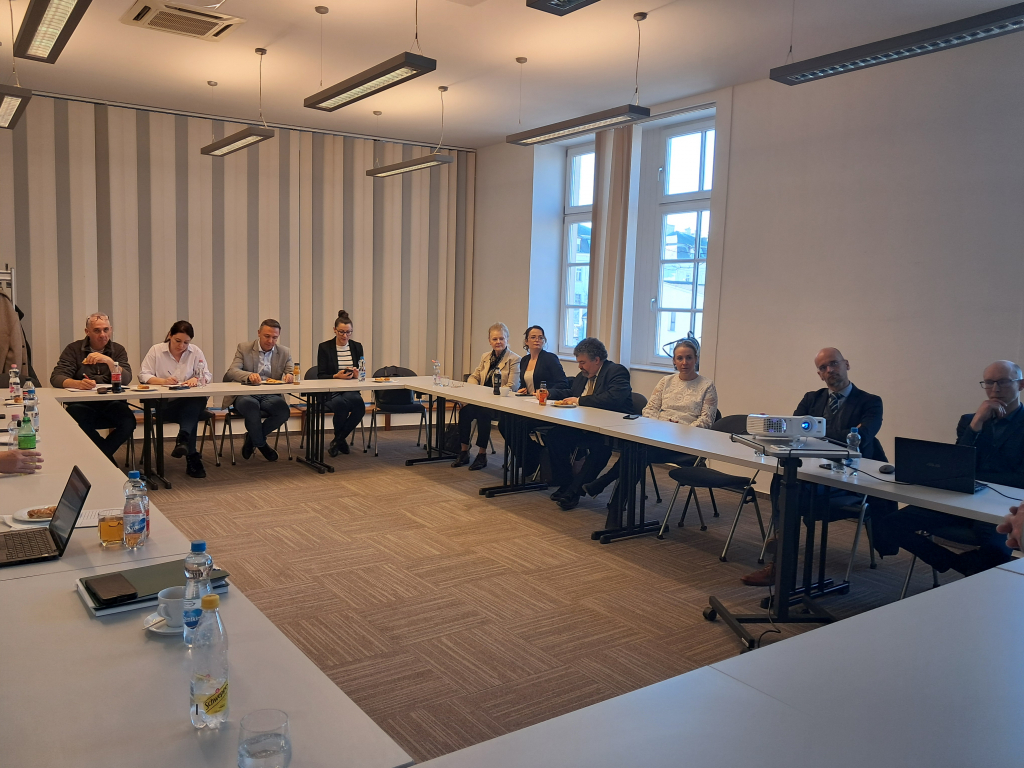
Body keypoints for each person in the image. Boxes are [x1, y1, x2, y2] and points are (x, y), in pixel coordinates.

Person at [741, 347, 886, 586]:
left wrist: (816, 431)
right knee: (782, 480)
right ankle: (782, 546)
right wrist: (840, 433)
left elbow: (862, 438)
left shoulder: (870, 402)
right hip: (811, 471)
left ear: (846, 364)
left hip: (849, 477)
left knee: (792, 491)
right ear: (819, 374)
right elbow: (793, 432)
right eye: (823, 367)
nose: (830, 370)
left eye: (834, 363)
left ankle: (781, 553)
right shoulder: (811, 398)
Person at [876, 360, 1022, 577]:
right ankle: (956, 563)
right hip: (961, 497)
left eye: (1003, 382)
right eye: (989, 382)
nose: (995, 389)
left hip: (1001, 505)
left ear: (1020, 385)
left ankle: (968, 574)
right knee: (888, 525)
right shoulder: (970, 421)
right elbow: (957, 464)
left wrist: (975, 477)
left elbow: (1020, 478)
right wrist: (976, 424)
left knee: (997, 552)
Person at [583, 337, 718, 501]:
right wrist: (662, 426)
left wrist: (680, 429)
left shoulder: (707, 386)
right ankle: (613, 502)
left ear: (696, 359)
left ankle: (606, 488)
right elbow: (649, 410)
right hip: (659, 436)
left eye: (689, 357)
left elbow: (706, 421)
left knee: (638, 454)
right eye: (680, 358)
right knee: (636, 452)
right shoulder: (666, 381)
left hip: (686, 443)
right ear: (674, 361)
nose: (684, 362)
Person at [545, 337, 632, 511]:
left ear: (597, 360)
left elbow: (612, 399)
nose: (579, 366)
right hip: (585, 425)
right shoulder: (583, 375)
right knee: (555, 436)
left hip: (611, 429)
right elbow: (572, 393)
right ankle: (565, 483)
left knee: (600, 449)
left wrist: (579, 401)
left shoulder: (616, 372)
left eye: (582, 362)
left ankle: (574, 492)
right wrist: (549, 393)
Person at [49, 313, 136, 462]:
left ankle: (101, 459)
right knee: (74, 417)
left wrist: (109, 362)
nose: (102, 334)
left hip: (112, 403)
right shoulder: (74, 349)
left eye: (106, 330)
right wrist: (77, 384)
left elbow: (126, 379)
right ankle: (106, 458)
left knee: (128, 422)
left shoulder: (118, 350)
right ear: (87, 332)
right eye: (97, 330)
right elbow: (56, 378)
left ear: (111, 329)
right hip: (83, 404)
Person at [139, 320, 213, 478]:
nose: (181, 346)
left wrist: (196, 379)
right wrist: (163, 381)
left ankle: (183, 440)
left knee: (195, 401)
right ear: (170, 336)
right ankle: (190, 453)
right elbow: (143, 375)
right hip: (165, 405)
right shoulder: (156, 350)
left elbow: (207, 374)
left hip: (189, 403)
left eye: (186, 342)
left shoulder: (195, 352)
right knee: (194, 410)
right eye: (178, 341)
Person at [452, 323, 521, 471]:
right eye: (495, 339)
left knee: (484, 413)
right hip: (482, 400)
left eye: (501, 338)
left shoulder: (514, 359)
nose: (498, 342)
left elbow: (513, 386)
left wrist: (491, 394)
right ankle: (464, 451)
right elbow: (474, 376)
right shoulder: (486, 357)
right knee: (464, 412)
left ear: (507, 339)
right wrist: (475, 388)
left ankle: (482, 454)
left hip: (501, 403)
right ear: (489, 341)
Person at [223, 319, 294, 462]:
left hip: (270, 394)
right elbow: (232, 371)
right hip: (246, 392)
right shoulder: (244, 348)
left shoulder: (284, 352)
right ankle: (262, 445)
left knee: (283, 412)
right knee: (251, 407)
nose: (270, 341)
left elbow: (291, 371)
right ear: (259, 333)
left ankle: (252, 438)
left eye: (274, 337)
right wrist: (248, 376)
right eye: (267, 336)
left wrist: (290, 376)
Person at [316, 310, 366, 457]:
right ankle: (340, 441)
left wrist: (357, 374)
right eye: (341, 332)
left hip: (350, 388)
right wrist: (336, 376)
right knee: (341, 406)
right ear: (335, 330)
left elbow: (362, 371)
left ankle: (338, 440)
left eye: (348, 332)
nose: (345, 336)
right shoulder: (325, 347)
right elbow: (321, 375)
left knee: (360, 407)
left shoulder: (357, 346)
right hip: (331, 389)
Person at [516, 326, 568, 395]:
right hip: (529, 398)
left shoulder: (550, 358)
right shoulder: (524, 360)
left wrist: (548, 392)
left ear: (544, 341)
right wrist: (521, 390)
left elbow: (563, 383)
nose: (537, 340)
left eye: (540, 338)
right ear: (526, 341)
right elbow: (523, 384)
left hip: (546, 399)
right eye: (533, 337)